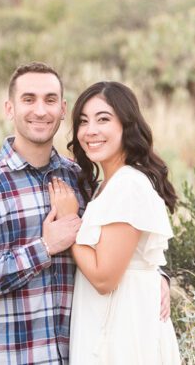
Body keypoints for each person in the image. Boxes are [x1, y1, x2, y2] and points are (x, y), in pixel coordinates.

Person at [0, 63, 169, 364]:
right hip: (16, 357)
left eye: (50, 100)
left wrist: (154, 276)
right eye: (28, 99)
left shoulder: (79, 179)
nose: (40, 110)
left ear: (62, 109)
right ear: (9, 108)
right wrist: (44, 248)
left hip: (80, 353)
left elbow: (114, 245)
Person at [50, 80, 181, 364]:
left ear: (126, 125)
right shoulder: (106, 185)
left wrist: (69, 221)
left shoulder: (129, 185)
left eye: (103, 119)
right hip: (110, 322)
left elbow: (104, 277)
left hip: (125, 331)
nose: (90, 131)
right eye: (83, 121)